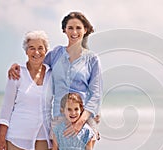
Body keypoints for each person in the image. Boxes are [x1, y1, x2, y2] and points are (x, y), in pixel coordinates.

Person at [8, 11, 103, 139]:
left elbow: (96, 93)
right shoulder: (55, 54)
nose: (74, 32)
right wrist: (18, 66)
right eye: (70, 28)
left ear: (85, 30)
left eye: (78, 28)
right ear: (64, 30)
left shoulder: (92, 59)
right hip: (59, 119)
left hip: (83, 119)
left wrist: (80, 122)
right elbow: (36, 64)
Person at [0, 30, 53, 150]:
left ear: (46, 50)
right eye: (32, 48)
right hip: (17, 138)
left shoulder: (52, 73)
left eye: (40, 48)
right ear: (26, 51)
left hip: (44, 138)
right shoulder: (17, 73)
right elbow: (7, 107)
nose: (36, 52)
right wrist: (1, 137)